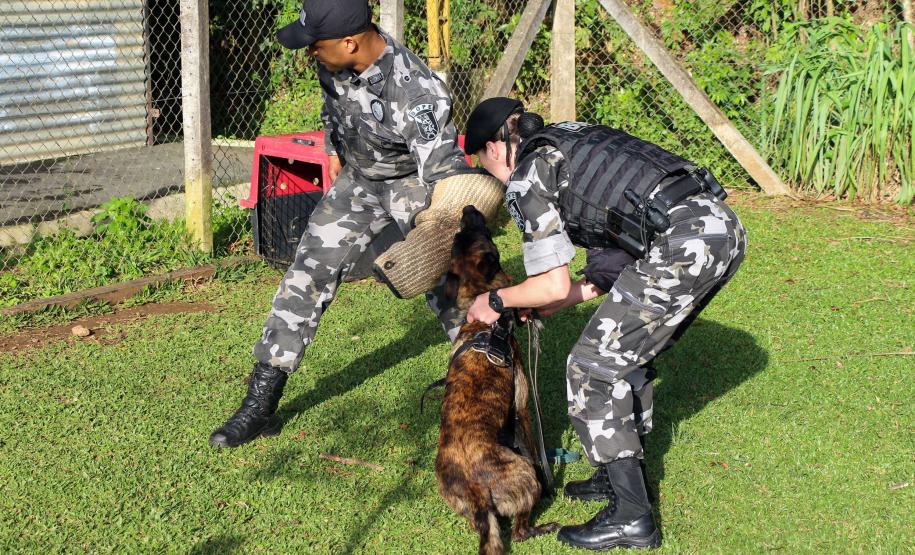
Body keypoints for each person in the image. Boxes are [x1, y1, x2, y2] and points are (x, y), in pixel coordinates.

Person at [463, 97, 747, 550]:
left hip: (684, 243)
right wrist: (564, 299)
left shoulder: (527, 175)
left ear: (494, 149)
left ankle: (632, 517)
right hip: (717, 228)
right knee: (625, 350)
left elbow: (551, 283)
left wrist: (494, 299)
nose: (490, 174)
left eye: (482, 162)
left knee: (594, 364)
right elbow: (604, 259)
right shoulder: (569, 135)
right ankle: (613, 478)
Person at [209, 0, 470, 449]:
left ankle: (490, 389)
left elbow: (447, 175)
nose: (309, 53)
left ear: (351, 42)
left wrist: (434, 233)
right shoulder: (332, 61)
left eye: (315, 45)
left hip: (416, 182)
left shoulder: (416, 92)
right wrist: (334, 148)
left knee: (450, 287)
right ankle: (260, 403)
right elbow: (335, 107)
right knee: (307, 273)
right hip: (359, 180)